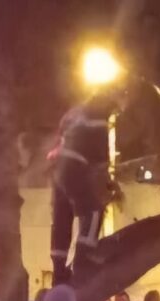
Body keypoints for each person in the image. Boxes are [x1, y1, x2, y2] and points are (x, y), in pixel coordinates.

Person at [48, 87, 125, 285]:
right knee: (94, 211)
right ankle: (83, 260)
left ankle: (58, 271)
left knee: (61, 219)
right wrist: (109, 186)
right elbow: (100, 158)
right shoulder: (99, 117)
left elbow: (60, 141)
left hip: (58, 171)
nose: (115, 112)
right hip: (76, 169)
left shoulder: (73, 113)